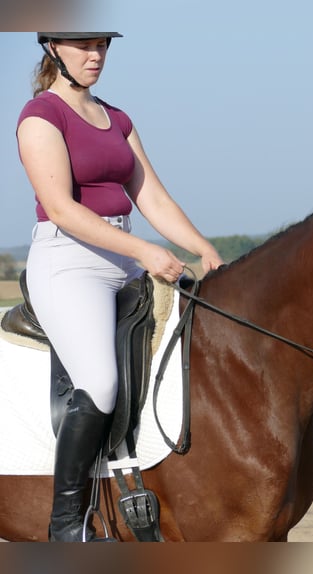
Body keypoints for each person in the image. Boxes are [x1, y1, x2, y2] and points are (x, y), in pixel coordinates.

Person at [16, 32, 224, 542]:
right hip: (69, 261)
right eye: (83, 46)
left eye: (102, 47)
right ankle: (67, 523)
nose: (95, 56)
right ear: (52, 50)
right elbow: (62, 208)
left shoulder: (118, 119)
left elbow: (152, 197)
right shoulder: (40, 116)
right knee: (101, 381)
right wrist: (145, 252)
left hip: (124, 257)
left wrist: (204, 249)